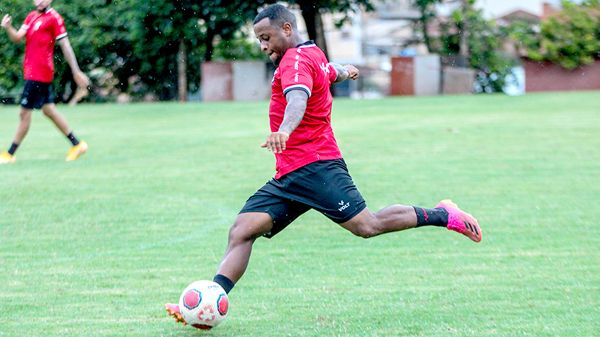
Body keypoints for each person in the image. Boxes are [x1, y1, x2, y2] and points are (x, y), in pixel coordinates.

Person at [166, 3, 482, 324]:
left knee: (367, 226)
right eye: (259, 40)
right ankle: (208, 301)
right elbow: (331, 72)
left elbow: (298, 97)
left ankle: (445, 215)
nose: (263, 46)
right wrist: (346, 70)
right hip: (290, 175)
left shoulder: (294, 63)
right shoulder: (311, 53)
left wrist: (284, 131)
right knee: (242, 231)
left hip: (317, 168)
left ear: (286, 29)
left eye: (267, 37)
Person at [0, 0, 89, 165]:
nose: (39, 0)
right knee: (48, 110)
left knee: (24, 114)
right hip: (33, 73)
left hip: (39, 73)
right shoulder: (31, 17)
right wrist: (8, 27)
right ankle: (77, 145)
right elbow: (17, 38)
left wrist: (76, 71)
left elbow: (66, 46)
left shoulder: (54, 18)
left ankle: (9, 154)